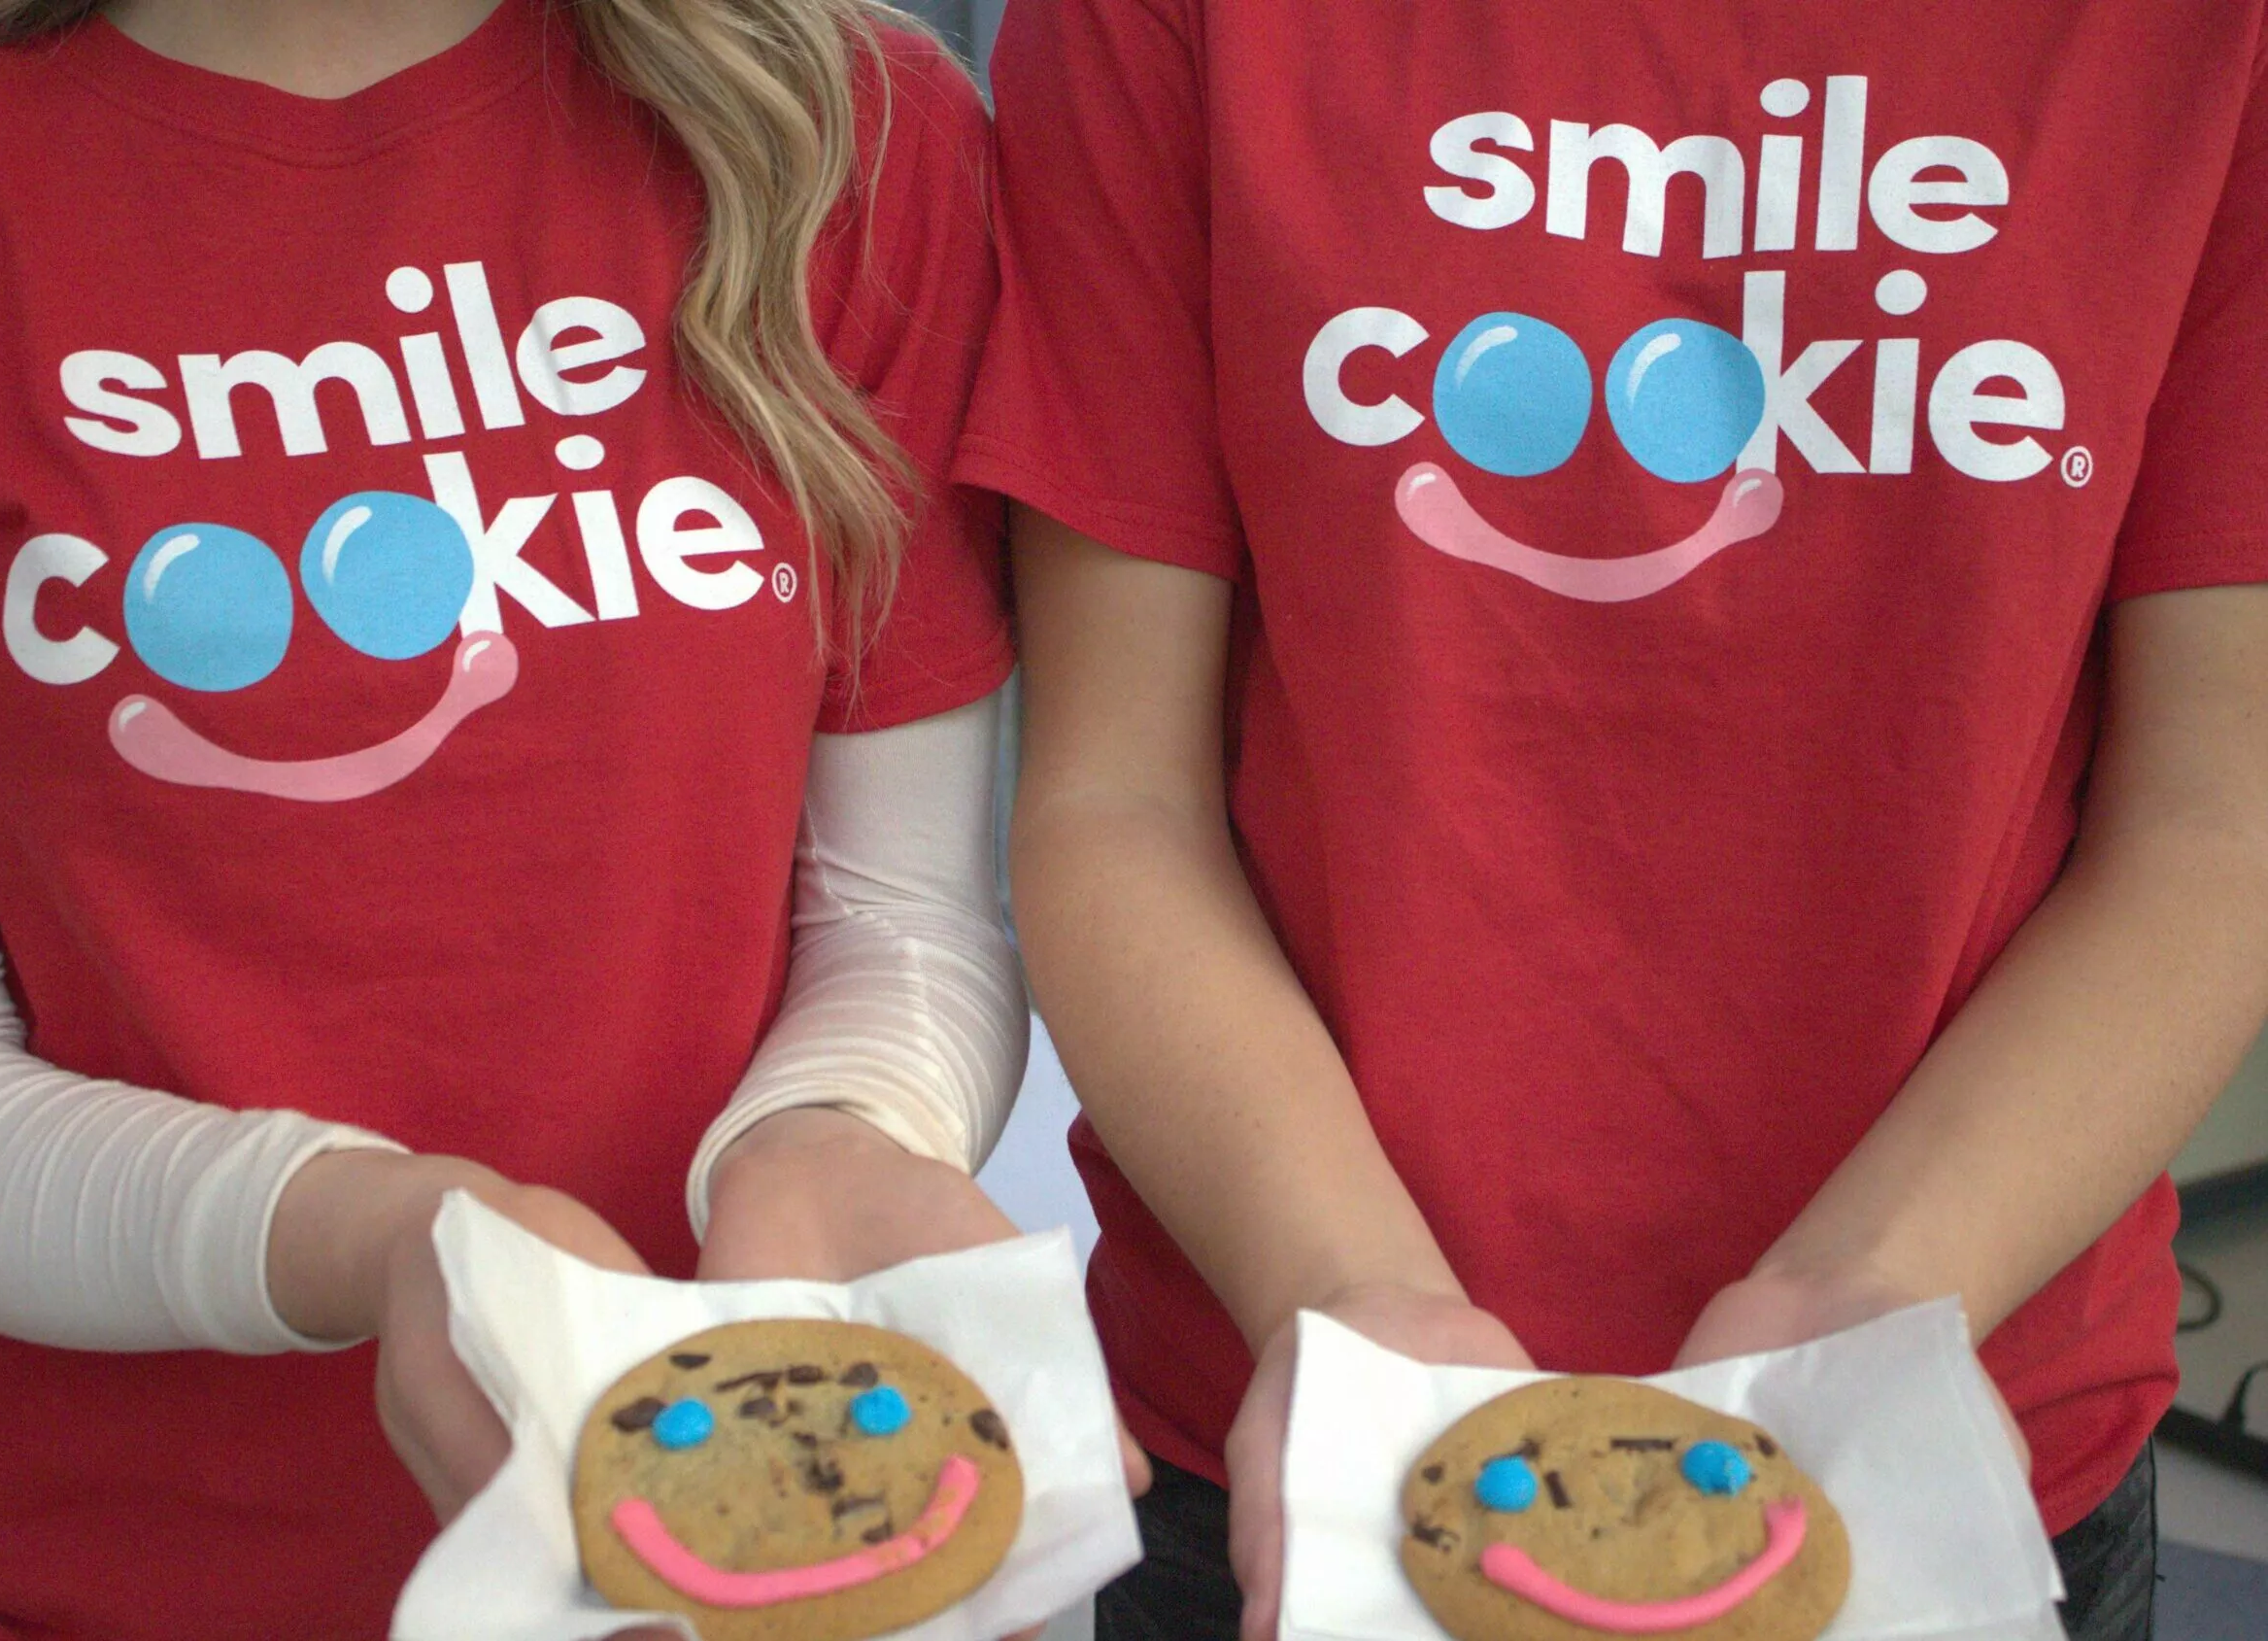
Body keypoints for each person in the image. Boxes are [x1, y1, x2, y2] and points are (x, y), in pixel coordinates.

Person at [961, 3, 2268, 1639]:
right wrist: (1355, 1303)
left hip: (1944, 1411)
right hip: (1302, 1412)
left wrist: (1858, 1312)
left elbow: (2215, 831)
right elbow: (1112, 800)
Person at [0, 1, 1075, 1635]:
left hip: (720, 1551)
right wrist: (374, 1240)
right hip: (75, 1572)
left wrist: (834, 1136)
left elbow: (903, 921)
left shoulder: (839, 123)